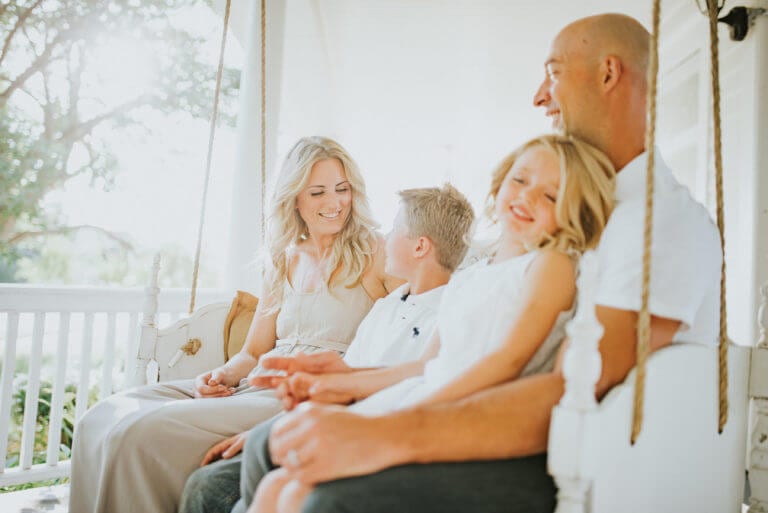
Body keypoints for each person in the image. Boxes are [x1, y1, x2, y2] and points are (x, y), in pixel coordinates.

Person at [236, 13, 722, 513]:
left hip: (593, 461)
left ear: (607, 74)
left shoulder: (656, 223)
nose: (539, 96)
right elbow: (446, 362)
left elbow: (571, 388)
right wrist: (346, 380)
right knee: (265, 449)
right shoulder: (577, 222)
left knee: (319, 493)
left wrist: (385, 433)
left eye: (553, 72)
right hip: (505, 417)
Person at [249, 133, 616, 513]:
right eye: (520, 181)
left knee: (299, 492)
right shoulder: (473, 274)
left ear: (574, 210)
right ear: (501, 181)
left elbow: (509, 361)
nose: (526, 198)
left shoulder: (549, 264)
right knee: (278, 485)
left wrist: (419, 413)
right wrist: (334, 381)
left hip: (456, 410)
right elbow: (424, 365)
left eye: (551, 196)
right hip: (424, 392)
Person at [68, 136, 400, 513]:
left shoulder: (376, 252)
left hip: (299, 394)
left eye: (342, 189)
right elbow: (254, 352)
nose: (335, 203)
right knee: (98, 420)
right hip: (253, 382)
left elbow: (416, 321)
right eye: (318, 192)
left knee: (136, 434)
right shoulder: (284, 259)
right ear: (294, 200)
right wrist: (219, 376)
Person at [178, 183, 476, 513]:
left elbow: (403, 394)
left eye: (394, 230)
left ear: (420, 247)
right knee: (205, 482)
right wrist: (267, 429)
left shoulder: (449, 314)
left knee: (215, 487)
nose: (384, 239)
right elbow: (344, 384)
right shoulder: (387, 306)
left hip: (357, 437)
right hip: (325, 424)